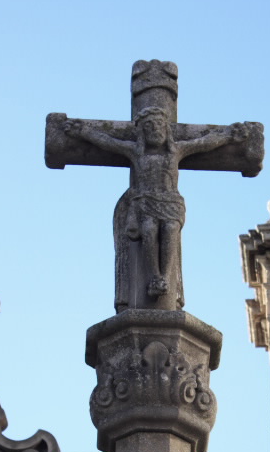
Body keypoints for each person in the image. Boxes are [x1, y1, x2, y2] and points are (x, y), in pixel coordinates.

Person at [65, 109, 247, 310]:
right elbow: (108, 142)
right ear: (142, 132)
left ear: (166, 129)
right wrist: (83, 132)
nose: (155, 130)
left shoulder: (177, 150)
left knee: (170, 229)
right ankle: (154, 277)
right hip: (146, 202)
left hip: (171, 202)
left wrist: (228, 135)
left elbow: (204, 143)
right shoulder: (135, 152)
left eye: (159, 125)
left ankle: (165, 278)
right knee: (149, 230)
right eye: (149, 126)